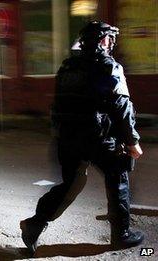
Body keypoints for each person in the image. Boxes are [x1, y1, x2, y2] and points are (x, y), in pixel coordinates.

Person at [20, 21, 144, 255]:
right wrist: (132, 141)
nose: (111, 43)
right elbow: (121, 106)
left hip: (67, 136)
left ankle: (35, 224)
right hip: (97, 136)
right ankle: (122, 235)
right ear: (102, 41)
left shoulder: (67, 67)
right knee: (118, 175)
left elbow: (59, 103)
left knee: (71, 184)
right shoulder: (109, 66)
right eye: (109, 38)